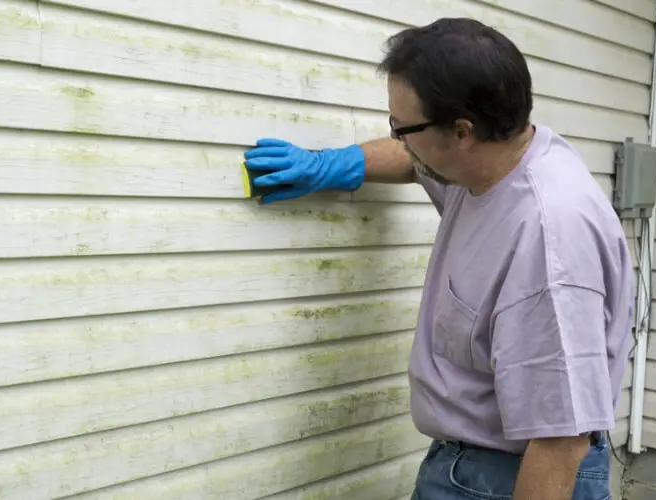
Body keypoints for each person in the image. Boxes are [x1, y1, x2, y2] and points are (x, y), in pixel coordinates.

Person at [243, 17, 634, 500]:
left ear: (463, 131)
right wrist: (334, 165)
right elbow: (417, 158)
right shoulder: (493, 162)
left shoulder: (549, 243)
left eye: (401, 126)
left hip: (515, 479)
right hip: (473, 466)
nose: (398, 138)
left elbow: (559, 439)